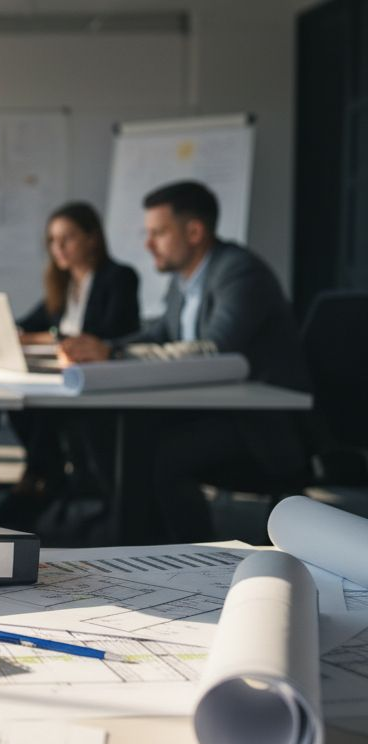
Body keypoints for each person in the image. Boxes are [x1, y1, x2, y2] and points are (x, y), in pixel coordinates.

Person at [59, 180, 308, 542]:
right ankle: (135, 537)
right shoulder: (185, 279)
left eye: (158, 233)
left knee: (159, 455)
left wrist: (113, 354)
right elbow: (161, 332)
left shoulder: (238, 272)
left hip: (260, 423)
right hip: (211, 410)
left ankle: (200, 557)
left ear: (194, 231)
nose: (148, 244)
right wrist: (104, 347)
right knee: (109, 427)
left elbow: (215, 348)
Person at [0, 203, 140, 527]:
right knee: (18, 402)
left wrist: (48, 336)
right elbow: (32, 323)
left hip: (101, 384)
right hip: (66, 377)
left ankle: (41, 483)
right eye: (53, 240)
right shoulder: (64, 284)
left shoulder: (119, 277)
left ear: (92, 239)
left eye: (68, 238)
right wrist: (12, 332)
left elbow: (108, 333)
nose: (59, 248)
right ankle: (43, 478)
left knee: (40, 407)